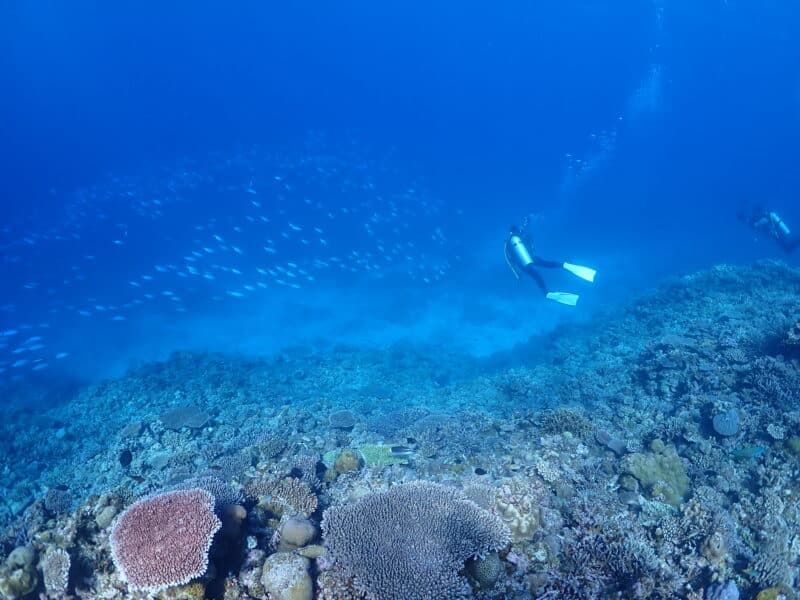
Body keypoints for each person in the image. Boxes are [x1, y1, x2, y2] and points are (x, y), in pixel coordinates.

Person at [504, 222, 597, 306]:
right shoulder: (520, 237)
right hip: (532, 258)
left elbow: (509, 260)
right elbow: (530, 248)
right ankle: (564, 265)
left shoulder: (507, 243)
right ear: (517, 230)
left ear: (510, 232)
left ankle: (546, 293)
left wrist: (517, 274)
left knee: (537, 277)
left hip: (523, 265)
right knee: (547, 264)